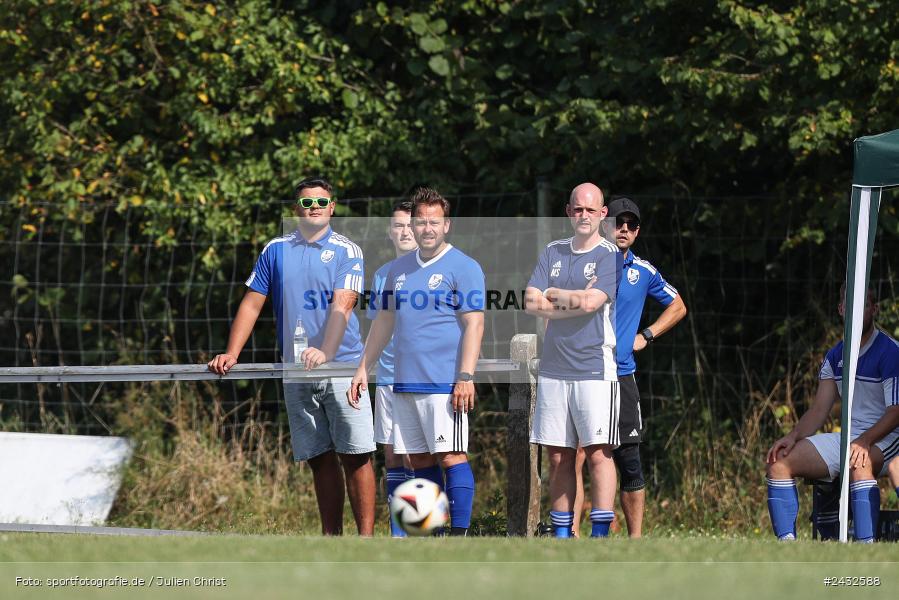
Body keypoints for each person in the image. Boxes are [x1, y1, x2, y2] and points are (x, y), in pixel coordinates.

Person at [208, 177, 376, 536]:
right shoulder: (275, 250)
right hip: (296, 368)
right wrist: (231, 352)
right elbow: (253, 304)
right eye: (305, 203)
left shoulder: (348, 251)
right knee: (318, 457)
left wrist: (326, 350)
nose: (313, 208)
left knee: (357, 454)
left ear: (332, 207)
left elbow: (343, 306)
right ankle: (332, 538)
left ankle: (366, 543)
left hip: (343, 365)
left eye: (321, 202)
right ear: (295, 209)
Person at [349, 187, 485, 536]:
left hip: (444, 382)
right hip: (403, 382)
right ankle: (432, 533)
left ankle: (459, 535)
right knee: (419, 461)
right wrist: (364, 366)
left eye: (433, 222)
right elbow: (384, 321)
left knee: (451, 456)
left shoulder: (464, 266)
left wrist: (465, 376)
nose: (426, 228)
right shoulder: (398, 270)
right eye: (420, 222)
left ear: (447, 225)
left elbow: (474, 323)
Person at [572, 197, 687, 538]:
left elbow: (678, 306)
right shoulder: (580, 263)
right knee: (577, 457)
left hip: (621, 374)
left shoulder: (644, 271)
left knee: (629, 459)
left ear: (636, 232)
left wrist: (647, 335)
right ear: (604, 224)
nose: (623, 229)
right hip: (583, 372)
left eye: (631, 224)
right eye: (617, 222)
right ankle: (572, 537)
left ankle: (636, 541)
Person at [524, 182, 621, 539]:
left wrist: (559, 297)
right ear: (568, 212)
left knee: (598, 453)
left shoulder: (610, 254)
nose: (583, 216)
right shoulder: (553, 251)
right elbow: (531, 302)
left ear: (602, 214)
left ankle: (599, 535)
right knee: (558, 457)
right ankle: (562, 536)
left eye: (591, 210)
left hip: (594, 368)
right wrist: (574, 300)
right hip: (553, 368)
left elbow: (593, 303)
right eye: (577, 209)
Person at [765, 286, 899, 542]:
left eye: (863, 305)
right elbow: (818, 410)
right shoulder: (835, 355)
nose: (856, 311)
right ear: (841, 310)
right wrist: (793, 436)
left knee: (860, 463)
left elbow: (896, 413)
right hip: (851, 438)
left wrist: (865, 441)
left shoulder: (891, 352)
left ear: (874, 309)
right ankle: (786, 548)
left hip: (887, 436)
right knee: (779, 461)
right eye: (849, 305)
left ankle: (866, 548)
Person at [365, 199, 420, 537]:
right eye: (397, 225)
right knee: (393, 455)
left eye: (409, 225)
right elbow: (377, 330)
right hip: (387, 378)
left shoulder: (433, 268)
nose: (404, 231)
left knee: (419, 457)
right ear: (390, 232)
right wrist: (363, 368)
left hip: (423, 379)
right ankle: (400, 530)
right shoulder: (382, 275)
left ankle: (424, 527)